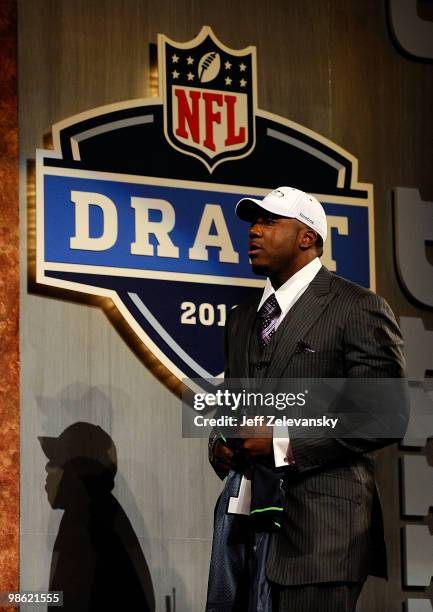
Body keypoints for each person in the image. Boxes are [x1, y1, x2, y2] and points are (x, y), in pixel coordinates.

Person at [206, 187, 407, 612]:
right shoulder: (243, 318)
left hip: (321, 534)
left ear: (306, 238)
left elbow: (385, 414)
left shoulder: (357, 307)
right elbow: (231, 406)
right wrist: (219, 443)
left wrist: (281, 443)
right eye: (253, 223)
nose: (254, 232)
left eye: (269, 222)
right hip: (244, 521)